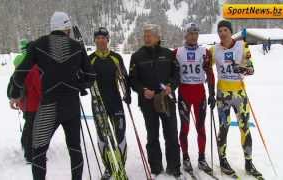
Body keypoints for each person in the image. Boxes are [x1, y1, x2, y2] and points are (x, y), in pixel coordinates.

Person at [9, 11, 96, 180]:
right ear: (66, 28)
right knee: (75, 149)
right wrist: (79, 85)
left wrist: (14, 94)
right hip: (71, 106)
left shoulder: (38, 44)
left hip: (49, 105)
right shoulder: (76, 46)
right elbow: (91, 76)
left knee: (38, 151)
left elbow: (20, 72)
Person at [209, 20, 263, 179]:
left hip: (239, 94)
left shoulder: (242, 46)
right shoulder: (214, 50)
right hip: (222, 95)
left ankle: (248, 162)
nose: (222, 33)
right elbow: (205, 66)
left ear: (230, 32)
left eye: (225, 30)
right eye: (220, 30)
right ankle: (223, 160)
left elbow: (251, 69)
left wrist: (242, 68)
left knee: (244, 127)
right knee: (223, 127)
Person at [129, 24, 182, 178]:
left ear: (158, 37)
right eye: (145, 35)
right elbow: (132, 79)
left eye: (149, 35)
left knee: (171, 134)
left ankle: (174, 167)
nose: (146, 38)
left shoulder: (168, 54)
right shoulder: (137, 56)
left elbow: (177, 74)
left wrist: (171, 87)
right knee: (152, 135)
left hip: (167, 100)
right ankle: (156, 168)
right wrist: (142, 90)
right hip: (148, 102)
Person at [89, 27, 131, 180]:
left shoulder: (116, 57)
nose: (101, 40)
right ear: (94, 40)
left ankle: (120, 165)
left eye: (103, 38)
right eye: (98, 38)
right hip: (98, 102)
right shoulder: (90, 59)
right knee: (103, 136)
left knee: (120, 134)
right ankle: (108, 167)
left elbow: (124, 78)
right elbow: (84, 79)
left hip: (115, 101)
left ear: (108, 40)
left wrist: (128, 93)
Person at [174, 22, 215, 175]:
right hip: (184, 92)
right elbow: (172, 74)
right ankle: (185, 157)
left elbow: (209, 73)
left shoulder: (204, 52)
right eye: (191, 33)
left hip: (199, 92)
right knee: (184, 128)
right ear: (186, 35)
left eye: (196, 33)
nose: (193, 36)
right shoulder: (178, 52)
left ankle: (202, 158)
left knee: (201, 127)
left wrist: (212, 93)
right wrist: (170, 90)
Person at [7, 39, 41, 163]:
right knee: (32, 128)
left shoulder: (21, 65)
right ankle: (30, 154)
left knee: (29, 126)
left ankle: (26, 146)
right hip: (34, 103)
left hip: (25, 102)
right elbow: (38, 88)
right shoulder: (34, 67)